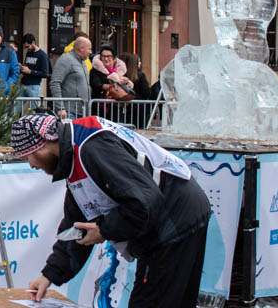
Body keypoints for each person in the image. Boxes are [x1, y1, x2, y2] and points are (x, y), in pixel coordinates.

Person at [12, 113, 211, 308]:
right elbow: (77, 226)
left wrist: (104, 230)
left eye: (28, 155)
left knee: (150, 300)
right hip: (177, 214)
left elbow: (144, 201)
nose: (31, 164)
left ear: (44, 144)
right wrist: (49, 276)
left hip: (174, 219)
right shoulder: (74, 157)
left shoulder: (92, 147)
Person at [49, 36, 92, 118]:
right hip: (69, 112)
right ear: (81, 48)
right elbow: (55, 83)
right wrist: (60, 108)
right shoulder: (65, 60)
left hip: (82, 112)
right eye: (89, 49)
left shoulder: (83, 62)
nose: (90, 52)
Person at [20, 33, 49, 100]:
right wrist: (22, 67)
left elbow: (45, 74)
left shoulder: (42, 55)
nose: (27, 49)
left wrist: (30, 71)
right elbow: (28, 66)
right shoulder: (29, 53)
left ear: (33, 43)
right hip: (23, 84)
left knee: (35, 109)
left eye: (27, 47)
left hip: (34, 86)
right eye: (25, 47)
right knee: (16, 107)